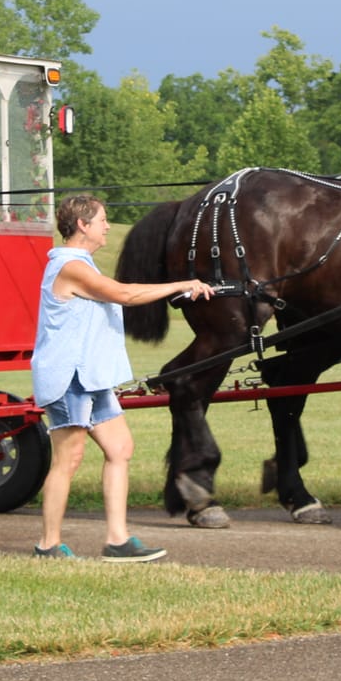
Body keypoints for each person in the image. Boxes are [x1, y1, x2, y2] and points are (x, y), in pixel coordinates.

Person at [32, 192, 213, 562]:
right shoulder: (70, 266)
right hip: (69, 379)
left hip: (91, 378)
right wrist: (181, 284)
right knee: (68, 459)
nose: (107, 226)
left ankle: (118, 540)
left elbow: (125, 293)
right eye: (101, 220)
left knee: (120, 449)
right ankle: (47, 546)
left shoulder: (83, 265)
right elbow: (125, 295)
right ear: (82, 225)